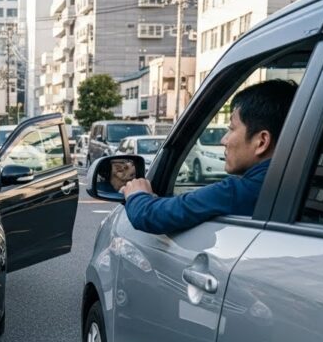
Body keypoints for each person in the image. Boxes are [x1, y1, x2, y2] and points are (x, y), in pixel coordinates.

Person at [121, 79, 298, 235]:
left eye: (231, 128)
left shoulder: (241, 191)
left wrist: (137, 195)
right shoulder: (296, 182)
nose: (224, 140)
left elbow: (151, 216)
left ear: (261, 141)